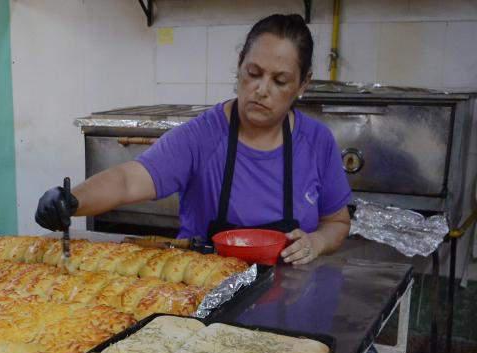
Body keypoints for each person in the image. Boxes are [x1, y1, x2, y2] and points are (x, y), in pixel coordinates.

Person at [35, 14, 351, 265]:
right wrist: (72, 200)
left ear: (303, 84)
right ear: (239, 64)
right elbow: (128, 180)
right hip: (204, 291)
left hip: (291, 300)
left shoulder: (316, 142)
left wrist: (317, 242)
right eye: (253, 73)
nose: (261, 89)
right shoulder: (202, 136)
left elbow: (336, 222)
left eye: (280, 80)